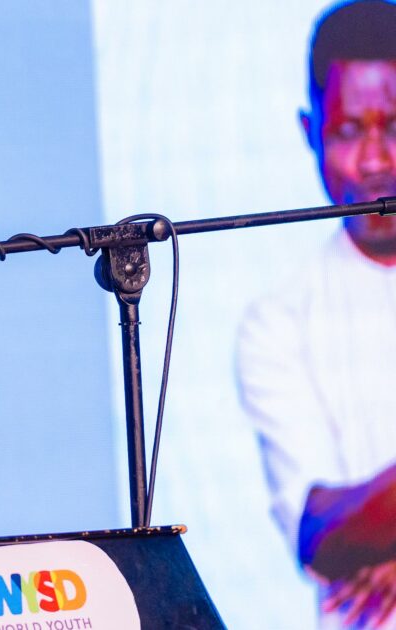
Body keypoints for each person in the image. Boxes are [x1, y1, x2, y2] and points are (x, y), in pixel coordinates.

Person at [238, 1, 396, 627]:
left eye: (395, 125)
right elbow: (322, 534)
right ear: (310, 133)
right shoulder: (279, 321)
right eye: (348, 131)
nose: (375, 159)